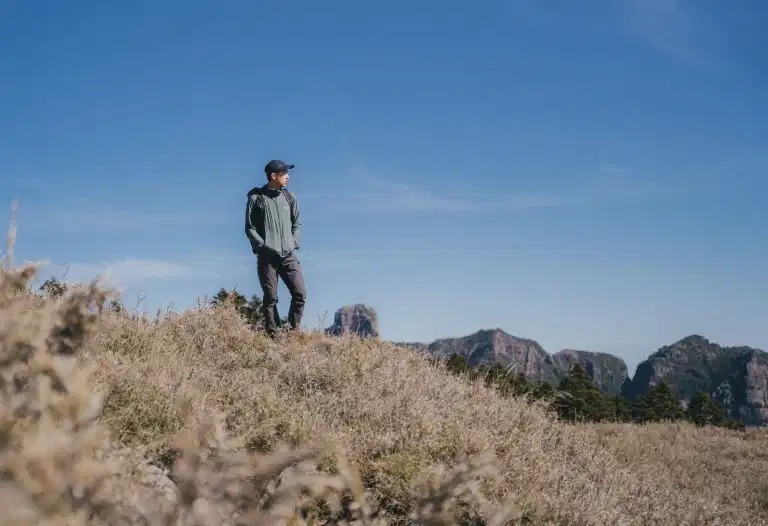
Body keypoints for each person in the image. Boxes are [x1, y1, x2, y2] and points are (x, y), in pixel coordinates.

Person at [244, 159, 306, 337]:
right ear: (273, 176)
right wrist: (262, 246)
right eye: (284, 173)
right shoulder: (257, 198)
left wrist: (293, 242)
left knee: (300, 294)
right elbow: (249, 228)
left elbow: (297, 224)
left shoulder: (289, 197)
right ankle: (274, 335)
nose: (288, 177)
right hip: (267, 257)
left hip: (289, 256)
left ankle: (293, 334)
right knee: (270, 298)